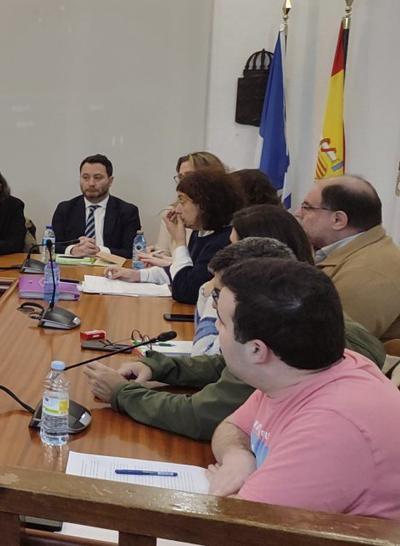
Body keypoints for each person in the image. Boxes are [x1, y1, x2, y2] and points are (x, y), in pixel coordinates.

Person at [84, 238, 384, 441]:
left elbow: (200, 416)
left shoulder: (284, 350)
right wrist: (161, 367)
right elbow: (225, 367)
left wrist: (122, 394)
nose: (213, 307)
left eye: (218, 295)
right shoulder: (313, 317)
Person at [206, 258, 400, 518]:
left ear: (256, 350)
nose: (217, 329)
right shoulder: (297, 372)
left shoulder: (332, 426)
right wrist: (238, 458)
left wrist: (235, 493)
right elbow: (231, 428)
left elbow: (235, 528)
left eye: (221, 322)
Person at [186, 204, 315, 355]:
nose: (227, 250)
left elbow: (202, 353)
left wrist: (217, 296)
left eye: (234, 244)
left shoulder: (276, 305)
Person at [107, 169, 241, 304]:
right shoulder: (201, 233)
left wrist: (180, 243)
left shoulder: (222, 241)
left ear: (204, 204)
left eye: (182, 202)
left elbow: (186, 290)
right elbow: (183, 273)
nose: (177, 209)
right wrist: (138, 275)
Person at [296, 175, 400, 340]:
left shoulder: (367, 273)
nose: (298, 214)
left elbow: (325, 341)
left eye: (306, 207)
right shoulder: (360, 252)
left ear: (338, 220)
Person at [50, 154, 142, 258]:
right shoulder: (65, 209)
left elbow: (132, 252)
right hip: (73, 270)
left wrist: (99, 250)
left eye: (97, 178)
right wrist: (73, 250)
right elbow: (51, 246)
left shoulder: (127, 212)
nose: (91, 183)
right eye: (85, 177)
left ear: (110, 181)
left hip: (111, 270)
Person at [153, 151, 225, 252]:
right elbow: (161, 251)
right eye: (180, 177)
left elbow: (194, 265)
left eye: (189, 175)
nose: (183, 181)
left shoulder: (220, 225)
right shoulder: (171, 213)